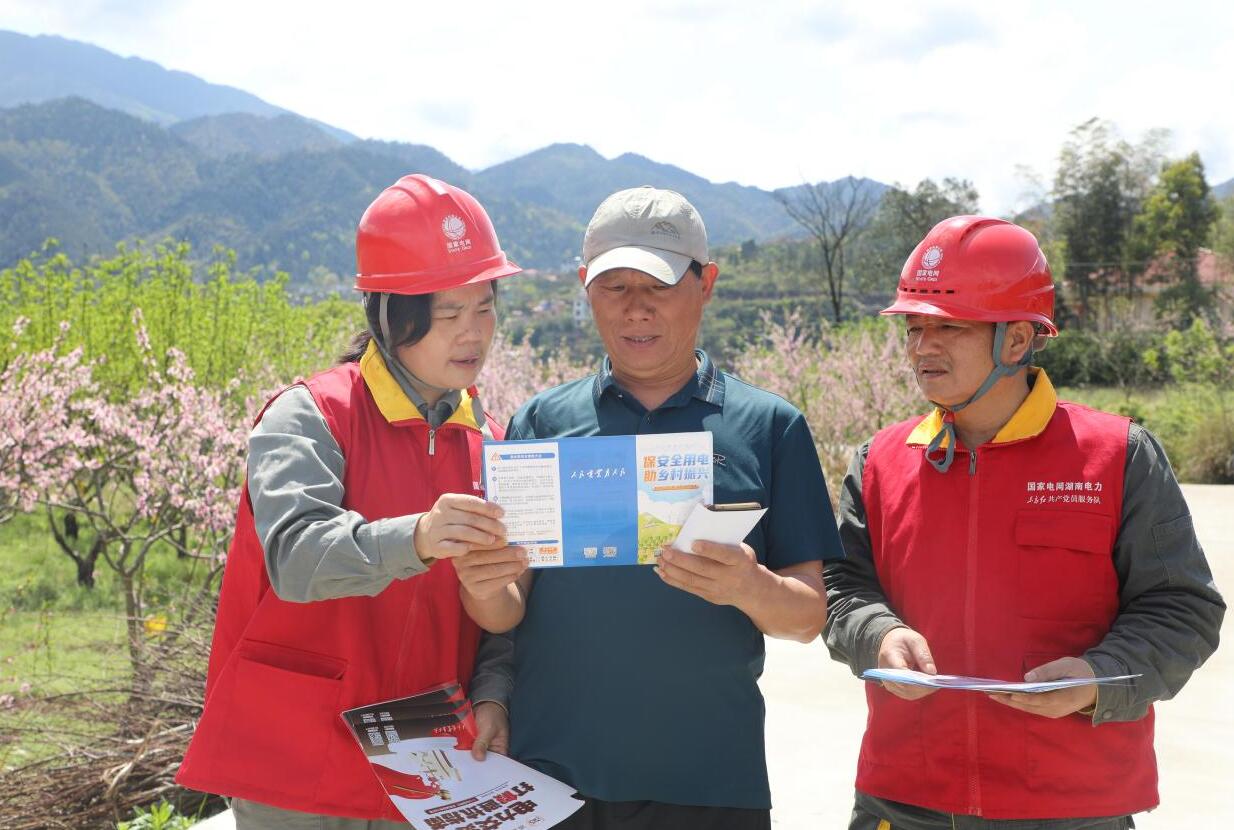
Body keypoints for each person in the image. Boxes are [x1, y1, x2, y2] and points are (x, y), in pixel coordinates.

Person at [824, 215, 1225, 829]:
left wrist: (1098, 677)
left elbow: (1182, 609)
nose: (921, 347)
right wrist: (874, 634)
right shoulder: (880, 461)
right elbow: (841, 589)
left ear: (1016, 340)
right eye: (914, 326)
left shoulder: (1117, 456)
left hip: (1072, 806)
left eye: (948, 327)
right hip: (906, 799)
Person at [176, 174, 529, 828]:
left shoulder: (491, 443)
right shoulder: (309, 416)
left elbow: (504, 612)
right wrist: (419, 538)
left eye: (484, 307)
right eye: (449, 313)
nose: (472, 333)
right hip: (297, 757)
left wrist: (494, 697)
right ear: (391, 313)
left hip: (423, 762)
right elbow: (296, 558)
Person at [487, 186, 845, 830]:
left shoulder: (769, 426)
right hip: (550, 776)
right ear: (583, 288)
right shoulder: (540, 422)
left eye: (657, 285)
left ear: (705, 284)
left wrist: (748, 584)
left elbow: (806, 617)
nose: (636, 310)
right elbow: (506, 606)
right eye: (614, 287)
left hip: (709, 781)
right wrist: (475, 575)